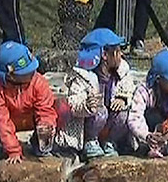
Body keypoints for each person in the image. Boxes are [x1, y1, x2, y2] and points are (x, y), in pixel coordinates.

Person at [57, 28, 135, 159]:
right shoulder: (83, 76)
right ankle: (90, 142)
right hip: (90, 122)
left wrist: (123, 98)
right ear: (104, 55)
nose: (121, 55)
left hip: (110, 123)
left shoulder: (122, 71)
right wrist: (86, 105)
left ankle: (110, 142)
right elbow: (73, 102)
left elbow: (131, 89)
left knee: (124, 114)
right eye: (117, 51)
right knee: (100, 111)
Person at [0, 41, 57, 163]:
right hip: (12, 120)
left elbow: (45, 110)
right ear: (10, 75)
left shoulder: (38, 81)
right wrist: (13, 150)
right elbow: (2, 119)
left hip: (32, 120)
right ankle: (8, 144)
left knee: (61, 108)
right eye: (25, 72)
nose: (31, 73)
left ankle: (37, 142)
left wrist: (45, 129)